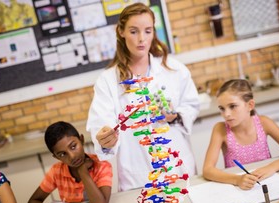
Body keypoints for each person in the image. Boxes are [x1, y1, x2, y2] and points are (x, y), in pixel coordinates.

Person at [86, 3, 200, 191]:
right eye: (133, 31)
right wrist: (106, 138)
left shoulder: (174, 69)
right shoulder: (107, 81)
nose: (141, 39)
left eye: (147, 31)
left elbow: (191, 105)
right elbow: (101, 124)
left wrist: (174, 116)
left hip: (178, 167)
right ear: (121, 31)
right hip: (138, 176)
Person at [203, 79, 279, 190]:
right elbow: (207, 170)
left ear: (250, 105)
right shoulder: (220, 129)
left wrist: (271, 168)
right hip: (240, 188)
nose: (226, 114)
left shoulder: (264, 123)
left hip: (268, 183)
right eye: (222, 109)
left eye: (232, 106)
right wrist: (237, 180)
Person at [27, 121, 112, 203]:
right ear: (56, 157)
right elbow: (32, 202)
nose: (72, 156)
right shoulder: (56, 171)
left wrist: (82, 171)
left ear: (81, 140)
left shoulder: (102, 165)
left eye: (73, 146)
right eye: (62, 154)